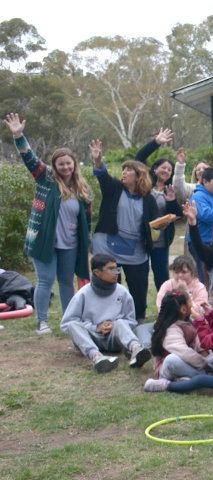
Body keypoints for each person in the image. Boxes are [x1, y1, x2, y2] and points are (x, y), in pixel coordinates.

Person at [4, 113, 93, 335]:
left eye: (68, 163)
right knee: (44, 282)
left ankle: (68, 321)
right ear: (54, 165)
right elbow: (29, 158)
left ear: (74, 164)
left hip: (70, 244)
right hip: (44, 241)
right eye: (60, 164)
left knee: (65, 283)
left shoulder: (82, 189)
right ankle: (41, 321)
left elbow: (87, 221)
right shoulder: (46, 177)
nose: (65, 167)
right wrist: (19, 136)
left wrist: (87, 242)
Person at [89, 140, 157, 321]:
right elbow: (102, 175)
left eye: (128, 170)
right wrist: (97, 161)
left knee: (138, 285)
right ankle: (108, 317)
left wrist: (161, 224)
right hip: (108, 248)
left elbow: (155, 221)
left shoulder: (148, 198)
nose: (124, 173)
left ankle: (139, 317)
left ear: (139, 176)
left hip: (135, 250)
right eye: (123, 170)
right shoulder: (114, 188)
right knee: (111, 282)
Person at [60, 254, 151, 373]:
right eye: (111, 269)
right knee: (73, 325)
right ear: (97, 272)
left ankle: (136, 349)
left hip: (114, 339)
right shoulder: (83, 294)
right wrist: (95, 328)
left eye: (117, 268)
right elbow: (66, 323)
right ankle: (97, 357)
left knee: (120, 322)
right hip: (90, 338)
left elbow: (131, 321)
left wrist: (114, 325)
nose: (116, 272)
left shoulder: (122, 292)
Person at [138, 130, 183, 291]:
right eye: (163, 168)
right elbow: (139, 158)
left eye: (169, 170)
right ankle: (140, 311)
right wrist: (156, 142)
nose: (166, 171)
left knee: (161, 275)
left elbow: (178, 215)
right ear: (155, 168)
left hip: (161, 241)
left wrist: (171, 202)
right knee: (140, 275)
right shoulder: (144, 184)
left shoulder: (169, 189)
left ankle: (165, 308)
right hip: (141, 239)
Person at [134, 255, 208, 348]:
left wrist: (184, 293)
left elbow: (197, 312)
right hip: (167, 323)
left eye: (184, 272)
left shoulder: (199, 287)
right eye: (176, 272)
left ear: (192, 273)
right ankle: (147, 348)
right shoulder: (167, 285)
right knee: (142, 329)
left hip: (190, 326)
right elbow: (162, 309)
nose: (180, 275)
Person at [149, 289, 209, 381]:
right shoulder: (170, 329)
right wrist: (204, 363)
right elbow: (184, 352)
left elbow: (199, 341)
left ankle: (188, 377)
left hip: (192, 362)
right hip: (169, 367)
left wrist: (204, 354)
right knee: (172, 360)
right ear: (183, 309)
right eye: (189, 301)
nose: (192, 304)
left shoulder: (188, 322)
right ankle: (206, 375)